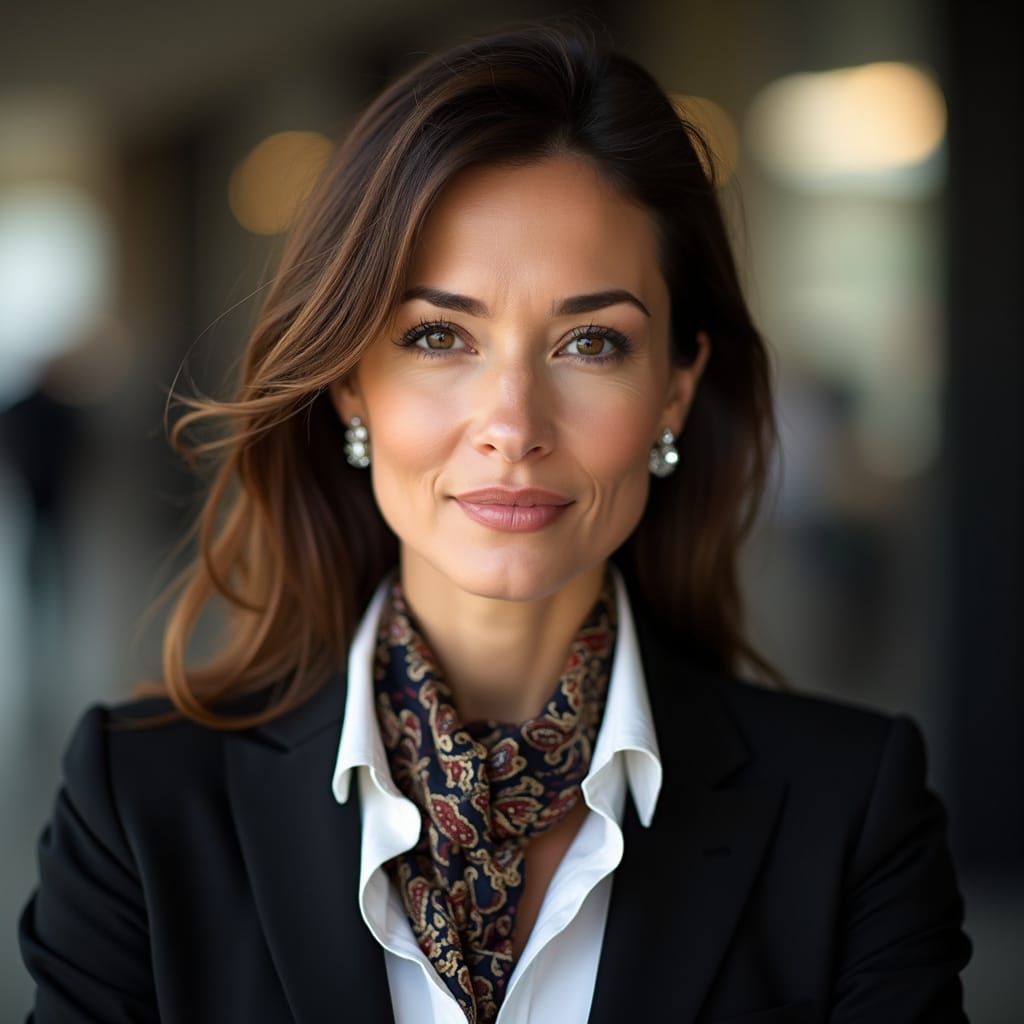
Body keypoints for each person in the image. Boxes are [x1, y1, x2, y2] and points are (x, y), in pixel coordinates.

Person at [17, 19, 972, 1024]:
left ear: (674, 393)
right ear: (350, 387)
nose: (513, 426)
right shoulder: (139, 802)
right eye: (438, 336)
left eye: (592, 343)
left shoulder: (849, 811)